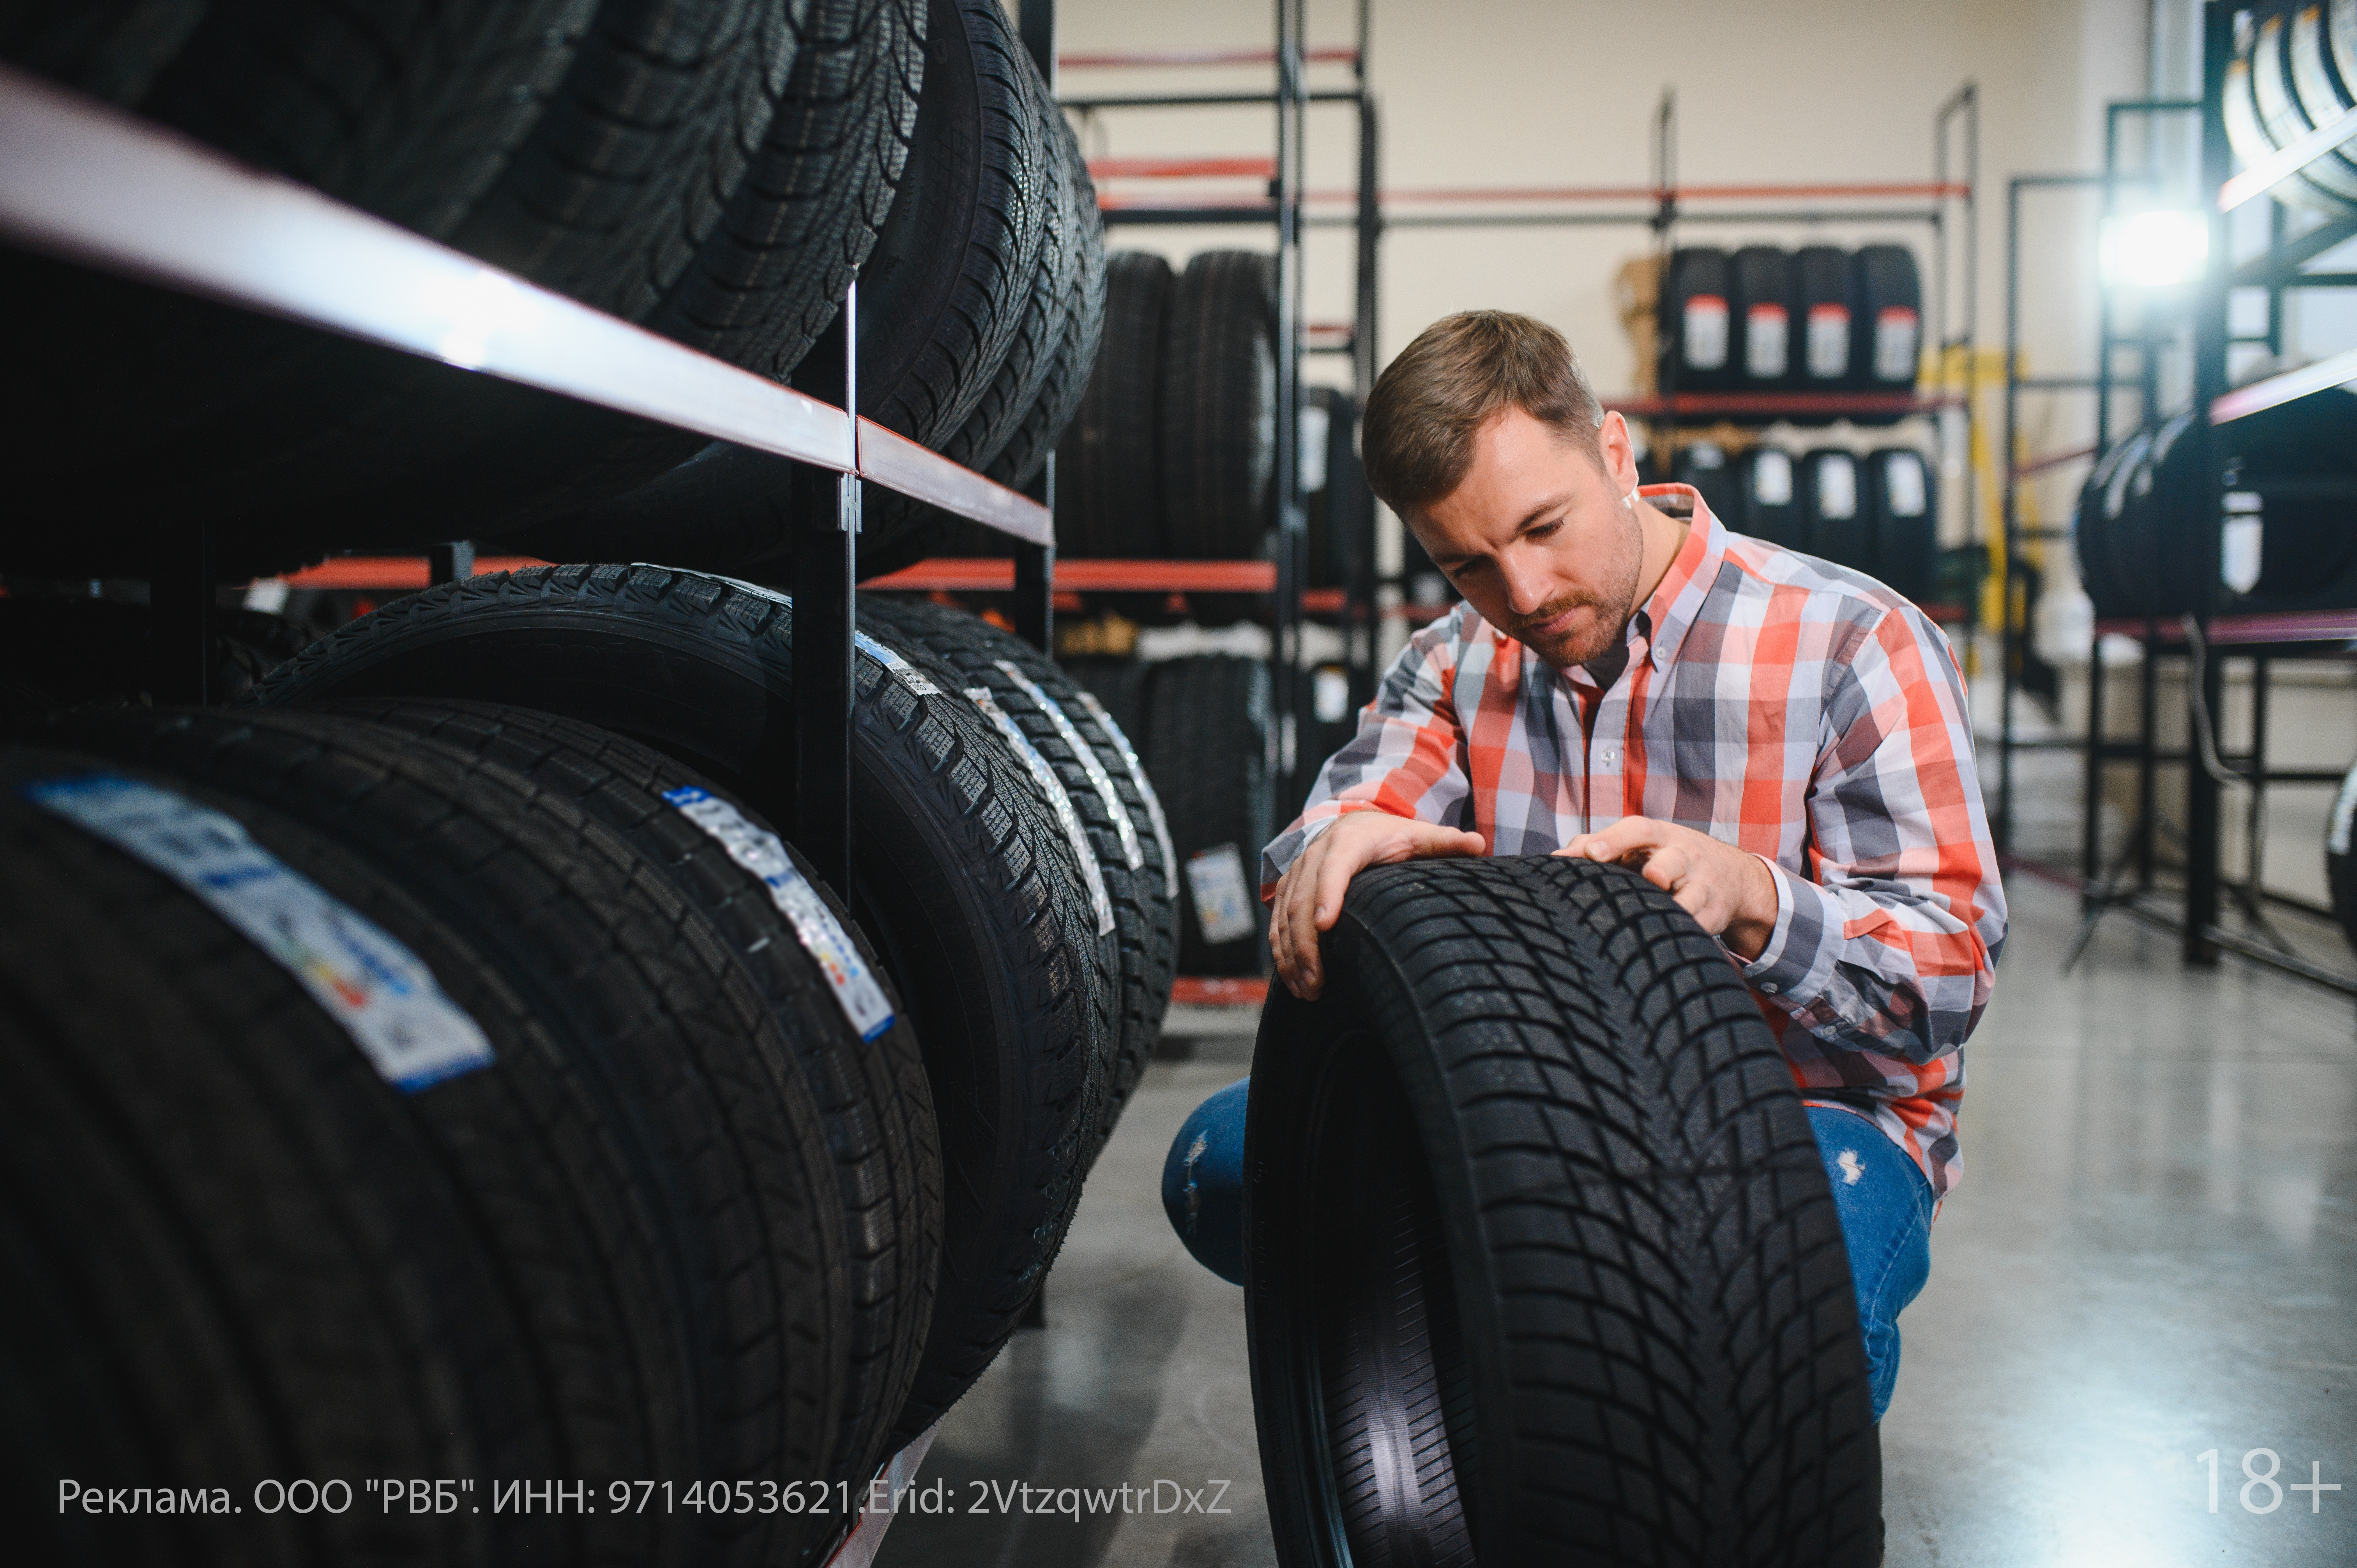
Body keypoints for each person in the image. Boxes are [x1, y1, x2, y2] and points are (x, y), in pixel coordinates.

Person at [1161, 310, 2005, 1423]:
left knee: (1776, 1320)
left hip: (1807, 1110)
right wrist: (1333, 852)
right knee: (1226, 1163)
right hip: (1538, 1101)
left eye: (1544, 526)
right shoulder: (1451, 662)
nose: (1521, 592)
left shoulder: (1855, 643)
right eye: (1466, 563)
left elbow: (1945, 982)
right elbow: (1343, 824)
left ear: (1616, 452)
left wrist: (1756, 903)